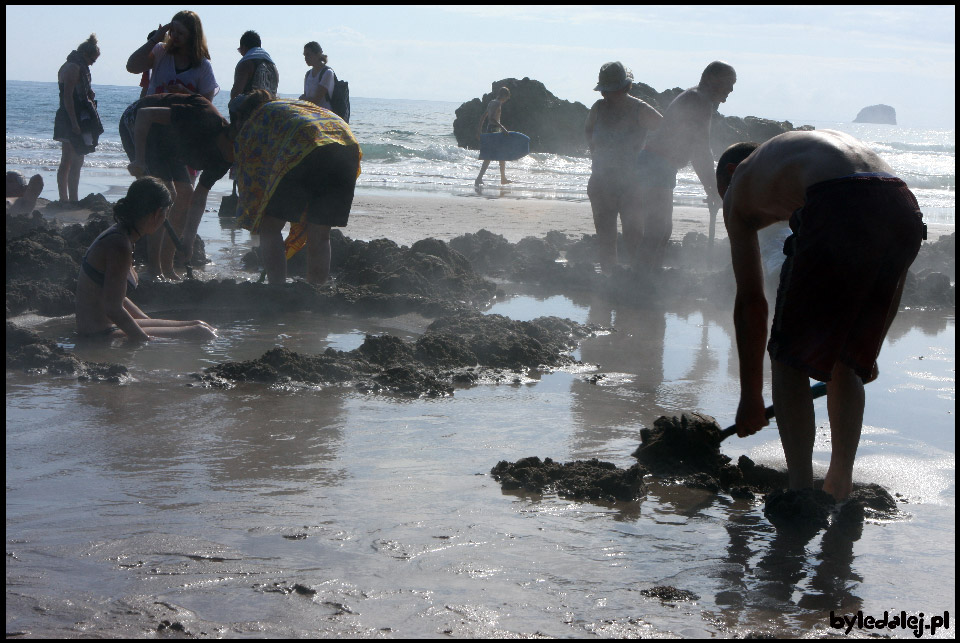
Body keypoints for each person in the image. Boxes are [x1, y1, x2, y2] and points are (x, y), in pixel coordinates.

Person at [716, 130, 926, 501]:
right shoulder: (798, 159)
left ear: (731, 173)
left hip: (841, 203)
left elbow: (751, 302)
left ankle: (800, 492)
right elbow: (896, 280)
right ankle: (839, 485)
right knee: (847, 360)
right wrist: (869, 350)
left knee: (787, 358)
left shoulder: (741, 184)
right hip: (902, 205)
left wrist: (751, 397)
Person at [230, 90, 362, 285]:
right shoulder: (291, 106)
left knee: (270, 227)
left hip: (306, 145)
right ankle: (315, 291)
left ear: (242, 116)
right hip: (346, 145)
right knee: (320, 231)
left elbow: (252, 175)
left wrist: (254, 216)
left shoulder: (257, 117)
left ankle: (277, 289)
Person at [75, 177, 217, 341]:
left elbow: (116, 296)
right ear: (157, 213)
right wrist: (145, 341)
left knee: (200, 324)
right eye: (166, 214)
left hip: (109, 326)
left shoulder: (124, 235)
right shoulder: (119, 245)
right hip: (98, 333)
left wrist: (148, 323)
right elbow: (112, 308)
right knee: (200, 332)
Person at [634, 61, 736, 271]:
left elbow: (698, 150)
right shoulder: (698, 101)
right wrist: (712, 188)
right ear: (711, 79)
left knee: (663, 230)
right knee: (657, 229)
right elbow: (700, 151)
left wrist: (712, 187)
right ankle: (640, 278)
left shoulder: (698, 99)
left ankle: (652, 276)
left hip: (659, 165)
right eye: (728, 83)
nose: (731, 89)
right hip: (656, 165)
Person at [123, 94, 233, 280]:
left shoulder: (226, 158)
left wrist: (188, 240)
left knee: (185, 195)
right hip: (139, 124)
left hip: (170, 146)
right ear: (230, 136)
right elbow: (144, 114)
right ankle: (154, 270)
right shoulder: (204, 117)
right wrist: (139, 160)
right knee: (165, 196)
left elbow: (198, 199)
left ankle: (168, 267)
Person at [584, 62, 662, 272]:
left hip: (632, 183)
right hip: (601, 181)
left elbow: (666, 132)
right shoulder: (598, 108)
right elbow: (588, 131)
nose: (606, 96)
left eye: (611, 91)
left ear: (624, 88)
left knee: (634, 236)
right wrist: (596, 153)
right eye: (604, 91)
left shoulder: (640, 109)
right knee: (605, 238)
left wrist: (648, 156)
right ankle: (610, 282)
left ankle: (636, 281)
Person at [54, 34, 104, 204]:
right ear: (85, 55)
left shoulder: (70, 65)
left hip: (69, 115)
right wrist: (74, 123)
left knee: (69, 159)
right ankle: (69, 199)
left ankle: (66, 199)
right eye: (92, 60)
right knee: (74, 160)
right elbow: (68, 97)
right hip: (71, 117)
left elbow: (74, 94)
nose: (92, 64)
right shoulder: (74, 68)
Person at [125, 10, 218, 101]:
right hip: (154, 113)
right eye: (172, 31)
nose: (175, 35)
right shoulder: (160, 51)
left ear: (192, 35)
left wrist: (185, 92)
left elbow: (207, 103)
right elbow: (132, 67)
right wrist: (154, 39)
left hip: (184, 114)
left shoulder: (203, 65)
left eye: (180, 33)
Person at [474, 87, 514, 186]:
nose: (507, 100)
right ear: (504, 96)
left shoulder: (491, 102)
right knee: (499, 155)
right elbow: (492, 118)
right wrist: (503, 128)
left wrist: (479, 130)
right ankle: (500, 179)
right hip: (495, 130)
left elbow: (483, 117)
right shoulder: (498, 104)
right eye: (507, 97)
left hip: (489, 129)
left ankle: (481, 178)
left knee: (490, 156)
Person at [230, 30, 279, 99]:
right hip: (269, 107)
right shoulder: (273, 66)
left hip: (252, 107)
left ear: (243, 47)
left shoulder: (246, 63)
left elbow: (236, 93)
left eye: (240, 50)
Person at [299, 41, 335, 110]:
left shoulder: (327, 73)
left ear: (318, 54)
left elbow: (316, 100)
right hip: (311, 112)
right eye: (305, 55)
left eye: (308, 55)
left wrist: (301, 99)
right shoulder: (308, 74)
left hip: (324, 113)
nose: (306, 58)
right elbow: (306, 96)